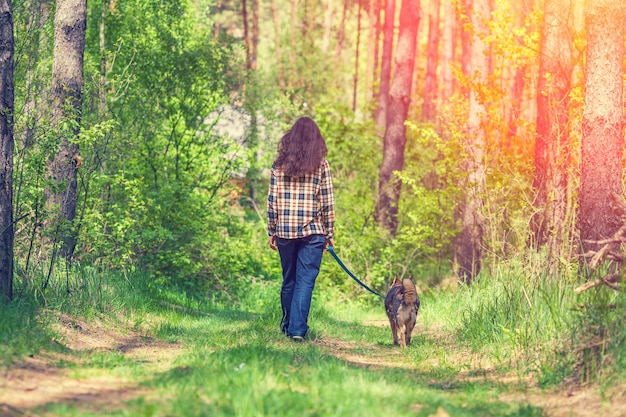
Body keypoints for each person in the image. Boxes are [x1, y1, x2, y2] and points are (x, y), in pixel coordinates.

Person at [266, 116, 335, 342]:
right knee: (305, 281)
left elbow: (272, 200)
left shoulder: (279, 165)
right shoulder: (321, 165)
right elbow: (327, 201)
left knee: (289, 280)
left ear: (290, 139)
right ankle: (296, 330)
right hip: (312, 231)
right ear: (316, 140)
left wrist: (272, 230)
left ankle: (288, 326)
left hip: (285, 230)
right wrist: (330, 232)